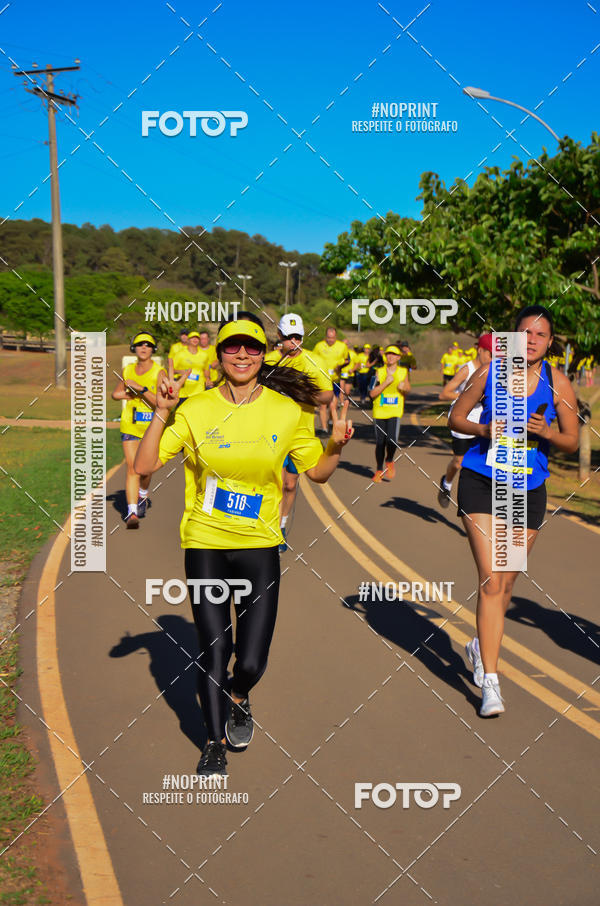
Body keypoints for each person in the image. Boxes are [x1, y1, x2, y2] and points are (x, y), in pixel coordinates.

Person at [134, 313, 354, 776]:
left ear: (262, 356)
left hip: (259, 546)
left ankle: (239, 693)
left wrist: (334, 446)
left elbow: (316, 472)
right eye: (232, 347)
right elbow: (145, 463)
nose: (241, 354)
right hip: (206, 542)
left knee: (251, 659)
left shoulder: (286, 410)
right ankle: (213, 744)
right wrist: (160, 413)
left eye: (251, 348)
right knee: (214, 647)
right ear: (219, 355)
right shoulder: (196, 409)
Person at [449, 305, 578, 718]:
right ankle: (491, 680)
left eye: (541, 334)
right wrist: (484, 429)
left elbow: (573, 441)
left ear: (550, 342)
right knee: (490, 581)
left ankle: (476, 646)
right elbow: (455, 416)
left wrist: (549, 433)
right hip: (481, 481)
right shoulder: (491, 373)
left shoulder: (558, 383)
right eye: (526, 332)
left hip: (527, 490)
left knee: (504, 585)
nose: (533, 340)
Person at [264, 314, 333, 552]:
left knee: (290, 485)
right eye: (289, 337)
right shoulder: (269, 361)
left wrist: (301, 393)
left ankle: (281, 527)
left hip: (301, 435)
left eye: (298, 337)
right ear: (279, 337)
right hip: (271, 433)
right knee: (273, 483)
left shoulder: (315, 362)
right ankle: (269, 527)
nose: (293, 342)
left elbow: (327, 395)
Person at [111, 332, 164, 528]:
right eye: (140, 344)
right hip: (130, 425)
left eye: (148, 345)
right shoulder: (127, 370)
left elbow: (160, 402)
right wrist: (128, 395)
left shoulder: (159, 372)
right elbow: (115, 393)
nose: (144, 347)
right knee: (132, 467)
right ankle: (132, 513)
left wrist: (141, 389)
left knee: (145, 469)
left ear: (152, 350)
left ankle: (142, 494)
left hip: (151, 428)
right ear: (134, 348)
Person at [437, 334, 493, 508]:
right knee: (459, 462)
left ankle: (475, 504)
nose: (493, 358)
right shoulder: (467, 369)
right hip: (462, 422)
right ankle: (446, 483)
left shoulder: (494, 371)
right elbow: (444, 393)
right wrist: (470, 396)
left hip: (483, 424)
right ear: (480, 350)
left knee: (482, 464)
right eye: (490, 354)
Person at [368, 345, 410, 482]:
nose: (390, 356)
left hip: (395, 410)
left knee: (392, 440)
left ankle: (390, 460)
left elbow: (408, 389)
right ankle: (379, 470)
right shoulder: (378, 372)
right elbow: (372, 393)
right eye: (388, 354)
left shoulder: (403, 372)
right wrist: (385, 383)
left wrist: (404, 388)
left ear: (398, 357)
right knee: (380, 443)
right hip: (379, 410)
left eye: (393, 354)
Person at [312, 327, 348, 431]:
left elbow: (347, 360)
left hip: (335, 379)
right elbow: (312, 359)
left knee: (333, 404)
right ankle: (324, 428)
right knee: (323, 405)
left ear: (336, 337)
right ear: (325, 337)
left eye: (332, 338)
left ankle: (331, 420)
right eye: (328, 338)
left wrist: (340, 366)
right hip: (322, 379)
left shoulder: (342, 346)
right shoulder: (319, 346)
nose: (330, 340)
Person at [170, 330, 206, 402]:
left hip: (198, 388)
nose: (195, 340)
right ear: (188, 340)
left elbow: (206, 370)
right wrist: (180, 371)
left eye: (197, 338)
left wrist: (208, 378)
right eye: (193, 338)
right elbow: (171, 369)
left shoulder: (204, 355)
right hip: (183, 390)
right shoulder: (180, 354)